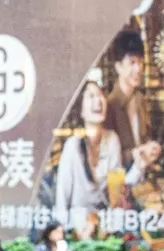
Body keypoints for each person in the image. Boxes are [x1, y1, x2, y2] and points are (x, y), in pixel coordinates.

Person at [52, 77, 123, 229]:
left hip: (105, 225)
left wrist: (139, 165)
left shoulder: (112, 140)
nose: (98, 100)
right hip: (77, 226)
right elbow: (62, 197)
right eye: (91, 96)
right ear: (81, 110)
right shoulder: (73, 145)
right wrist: (61, 231)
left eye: (100, 95)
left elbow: (116, 191)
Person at [105, 29, 161, 178]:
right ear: (118, 67)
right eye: (132, 63)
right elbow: (108, 158)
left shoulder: (140, 100)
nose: (138, 69)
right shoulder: (110, 106)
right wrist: (139, 152)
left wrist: (151, 149)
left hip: (143, 178)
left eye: (141, 62)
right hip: (122, 183)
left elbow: (144, 139)